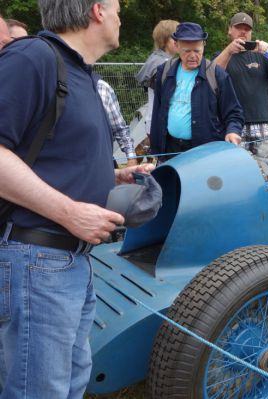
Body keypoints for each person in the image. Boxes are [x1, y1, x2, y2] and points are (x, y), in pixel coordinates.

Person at [0, 1, 155, 397]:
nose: (121, 17)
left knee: (71, 383)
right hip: (38, 259)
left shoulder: (82, 74)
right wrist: (68, 211)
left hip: (73, 262)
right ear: (97, 10)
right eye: (118, 8)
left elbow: (53, 155)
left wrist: (114, 174)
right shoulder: (32, 56)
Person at [150, 22, 243, 159]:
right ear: (177, 46)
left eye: (197, 51)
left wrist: (233, 131)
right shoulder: (164, 71)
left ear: (203, 46)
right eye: (187, 51)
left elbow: (234, 112)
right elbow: (157, 111)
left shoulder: (216, 75)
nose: (193, 56)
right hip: (170, 149)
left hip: (205, 151)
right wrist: (157, 147)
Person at [214, 12, 268, 151]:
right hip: (233, 124)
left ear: (251, 32)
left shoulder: (261, 56)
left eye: (247, 29)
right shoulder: (223, 55)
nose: (243, 32)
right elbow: (212, 74)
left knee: (264, 166)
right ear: (230, 29)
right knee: (237, 165)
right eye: (239, 28)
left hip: (260, 121)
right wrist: (229, 50)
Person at [136, 19, 179, 136]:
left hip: (155, 122)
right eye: (175, 37)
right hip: (160, 125)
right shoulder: (163, 64)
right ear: (164, 40)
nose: (178, 41)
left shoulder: (156, 59)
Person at [97, 79, 138, 166]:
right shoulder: (62, 85)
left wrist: (131, 157)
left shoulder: (102, 87)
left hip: (103, 160)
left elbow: (119, 128)